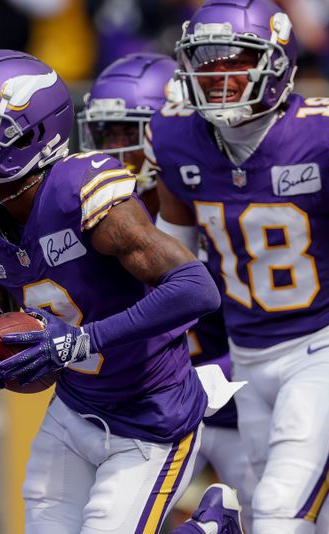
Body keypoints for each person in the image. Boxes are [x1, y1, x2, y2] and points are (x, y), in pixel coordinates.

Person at [146, 1, 329, 533]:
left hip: (323, 346)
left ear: (276, 64)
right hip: (245, 356)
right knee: (308, 517)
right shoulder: (175, 139)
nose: (217, 76)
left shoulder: (324, 136)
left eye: (234, 61)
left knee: (280, 511)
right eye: (204, 61)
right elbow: (170, 272)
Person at [0, 48, 228, 533]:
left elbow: (197, 289)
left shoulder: (80, 192)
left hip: (151, 416)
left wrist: (83, 341)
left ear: (30, 134)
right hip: (72, 411)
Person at [78, 51, 256, 527]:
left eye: (127, 134)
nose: (112, 154)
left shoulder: (215, 213)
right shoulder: (99, 226)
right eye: (103, 135)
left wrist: (196, 381)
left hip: (245, 407)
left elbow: (268, 334)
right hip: (163, 412)